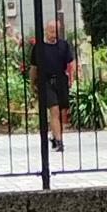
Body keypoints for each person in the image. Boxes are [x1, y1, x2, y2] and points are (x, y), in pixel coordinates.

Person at [30, 17, 75, 153]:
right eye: (51, 31)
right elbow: (34, 67)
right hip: (46, 81)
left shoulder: (63, 45)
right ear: (45, 30)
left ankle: (55, 137)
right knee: (54, 109)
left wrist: (72, 79)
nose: (53, 35)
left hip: (61, 80)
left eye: (56, 31)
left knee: (61, 112)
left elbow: (70, 63)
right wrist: (32, 83)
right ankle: (60, 141)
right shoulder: (39, 47)